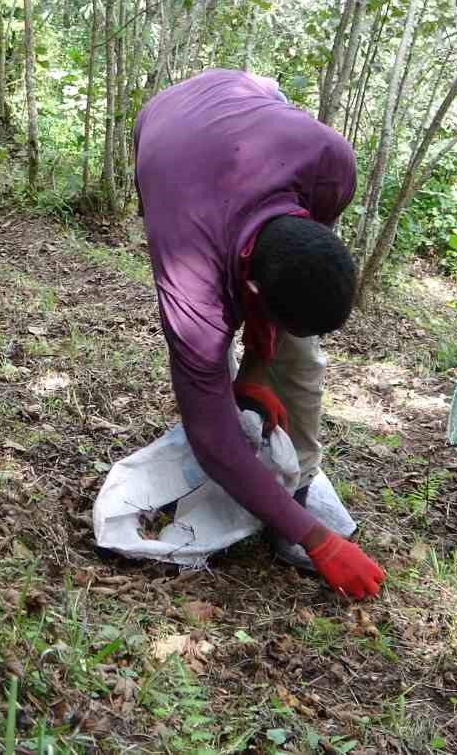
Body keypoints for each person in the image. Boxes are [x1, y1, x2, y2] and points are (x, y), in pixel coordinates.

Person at [133, 68, 386, 600]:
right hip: (166, 135)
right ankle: (271, 502)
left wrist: (256, 368)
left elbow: (298, 249)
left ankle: (301, 481)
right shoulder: (190, 281)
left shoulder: (331, 163)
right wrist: (318, 542)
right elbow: (209, 438)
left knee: (298, 350)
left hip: (248, 103)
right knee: (209, 380)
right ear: (248, 289)